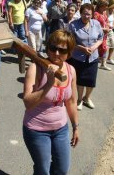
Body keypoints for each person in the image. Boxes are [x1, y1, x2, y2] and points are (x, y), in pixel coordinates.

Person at [22, 29, 79, 175]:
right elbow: (28, 103)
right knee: (43, 171)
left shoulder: (71, 70)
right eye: (53, 48)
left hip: (60, 128)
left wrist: (75, 127)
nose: (57, 53)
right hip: (36, 130)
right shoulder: (35, 68)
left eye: (62, 50)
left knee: (62, 169)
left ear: (69, 53)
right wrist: (49, 83)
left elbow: (72, 101)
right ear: (47, 48)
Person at [67, 3, 103, 111]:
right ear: (80, 13)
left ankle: (87, 98)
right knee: (80, 80)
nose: (86, 16)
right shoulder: (73, 25)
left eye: (89, 14)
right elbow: (70, 41)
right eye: (84, 14)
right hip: (78, 57)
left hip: (93, 57)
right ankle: (79, 100)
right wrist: (81, 48)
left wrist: (94, 47)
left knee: (91, 80)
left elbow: (100, 38)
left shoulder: (96, 24)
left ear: (92, 14)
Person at [94, 0, 111, 70]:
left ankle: (103, 64)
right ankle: (100, 63)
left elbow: (107, 21)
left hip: (104, 34)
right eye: (104, 6)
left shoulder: (104, 13)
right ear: (100, 6)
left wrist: (108, 26)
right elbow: (93, 25)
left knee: (104, 48)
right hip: (98, 35)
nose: (106, 8)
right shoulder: (96, 14)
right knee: (99, 48)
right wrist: (103, 29)